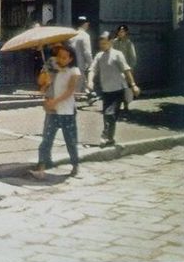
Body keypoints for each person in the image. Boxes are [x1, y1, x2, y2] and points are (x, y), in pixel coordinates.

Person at [30, 44, 81, 179]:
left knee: (70, 140)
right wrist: (47, 81)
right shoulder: (53, 69)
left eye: (64, 57)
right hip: (52, 112)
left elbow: (70, 91)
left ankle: (75, 165)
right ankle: (41, 168)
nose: (61, 59)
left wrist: (55, 101)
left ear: (70, 59)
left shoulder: (74, 71)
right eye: (59, 56)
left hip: (67, 112)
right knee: (46, 140)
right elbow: (44, 86)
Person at [87, 32, 141, 147]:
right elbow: (92, 69)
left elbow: (126, 70)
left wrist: (133, 85)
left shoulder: (118, 55)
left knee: (110, 114)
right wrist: (90, 81)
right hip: (106, 91)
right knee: (109, 115)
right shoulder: (99, 56)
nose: (102, 46)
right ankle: (110, 138)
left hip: (118, 90)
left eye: (105, 43)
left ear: (111, 42)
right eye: (101, 44)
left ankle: (105, 136)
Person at [69, 16, 93, 91]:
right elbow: (87, 52)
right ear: (85, 24)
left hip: (70, 65)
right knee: (78, 90)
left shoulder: (71, 36)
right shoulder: (85, 36)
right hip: (80, 66)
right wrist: (91, 65)